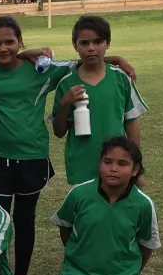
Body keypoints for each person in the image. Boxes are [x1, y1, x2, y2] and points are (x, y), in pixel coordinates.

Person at [0, 15, 135, 275]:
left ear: (21, 42)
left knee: (24, 219)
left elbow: (83, 60)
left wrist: (117, 58)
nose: (3, 47)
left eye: (11, 42)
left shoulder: (42, 69)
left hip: (32, 156)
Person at [46, 137, 160, 275]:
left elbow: (147, 247)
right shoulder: (80, 194)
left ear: (135, 170)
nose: (113, 169)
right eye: (107, 162)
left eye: (122, 164)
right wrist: (76, 256)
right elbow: (65, 226)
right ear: (99, 164)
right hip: (78, 274)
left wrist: (128, 274)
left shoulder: (143, 205)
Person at [52, 15, 148, 187]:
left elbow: (131, 123)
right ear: (75, 45)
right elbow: (59, 132)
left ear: (108, 43)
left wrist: (137, 168)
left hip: (118, 164)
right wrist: (65, 103)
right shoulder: (66, 83)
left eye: (98, 42)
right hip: (82, 164)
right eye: (84, 43)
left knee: (118, 211)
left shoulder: (121, 79)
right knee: (87, 212)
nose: (91, 48)